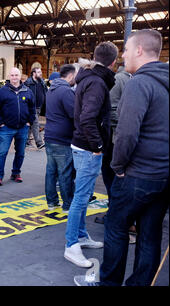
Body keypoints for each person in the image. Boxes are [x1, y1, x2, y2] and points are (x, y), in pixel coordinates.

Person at [75, 29, 169, 286]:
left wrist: (117, 165)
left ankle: (109, 283)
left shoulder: (139, 83)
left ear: (139, 50)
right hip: (163, 176)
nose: (123, 55)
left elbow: (127, 133)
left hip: (137, 174)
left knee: (116, 228)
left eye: (126, 49)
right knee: (150, 235)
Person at [64, 41, 118, 268]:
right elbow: (87, 118)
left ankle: (82, 236)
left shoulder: (89, 78)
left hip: (82, 145)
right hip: (88, 147)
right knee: (81, 197)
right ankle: (71, 245)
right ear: (114, 62)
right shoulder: (97, 83)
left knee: (83, 195)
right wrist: (97, 145)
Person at [95, 64, 132, 224]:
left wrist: (125, 122)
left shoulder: (120, 79)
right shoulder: (129, 79)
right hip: (120, 137)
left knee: (112, 176)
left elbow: (111, 110)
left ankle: (115, 214)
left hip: (115, 138)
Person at [0, 67, 35, 186]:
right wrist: (0, 123)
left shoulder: (27, 91)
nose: (14, 77)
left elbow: (32, 108)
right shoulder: (2, 91)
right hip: (6, 128)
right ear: (9, 76)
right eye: (12, 75)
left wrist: (29, 121)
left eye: (16, 75)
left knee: (20, 153)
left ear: (20, 76)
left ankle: (16, 173)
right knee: (2, 153)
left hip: (23, 127)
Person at [44, 64, 77, 212]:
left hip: (50, 136)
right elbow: (74, 114)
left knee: (51, 171)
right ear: (70, 76)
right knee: (64, 173)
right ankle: (67, 204)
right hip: (62, 139)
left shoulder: (52, 89)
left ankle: (51, 202)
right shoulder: (66, 91)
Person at [25, 67, 47, 149]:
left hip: (39, 107)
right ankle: (39, 142)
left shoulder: (42, 82)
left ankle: (26, 141)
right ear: (34, 73)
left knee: (31, 124)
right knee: (36, 124)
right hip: (31, 107)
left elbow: (46, 93)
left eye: (41, 71)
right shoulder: (28, 83)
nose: (41, 73)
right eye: (38, 72)